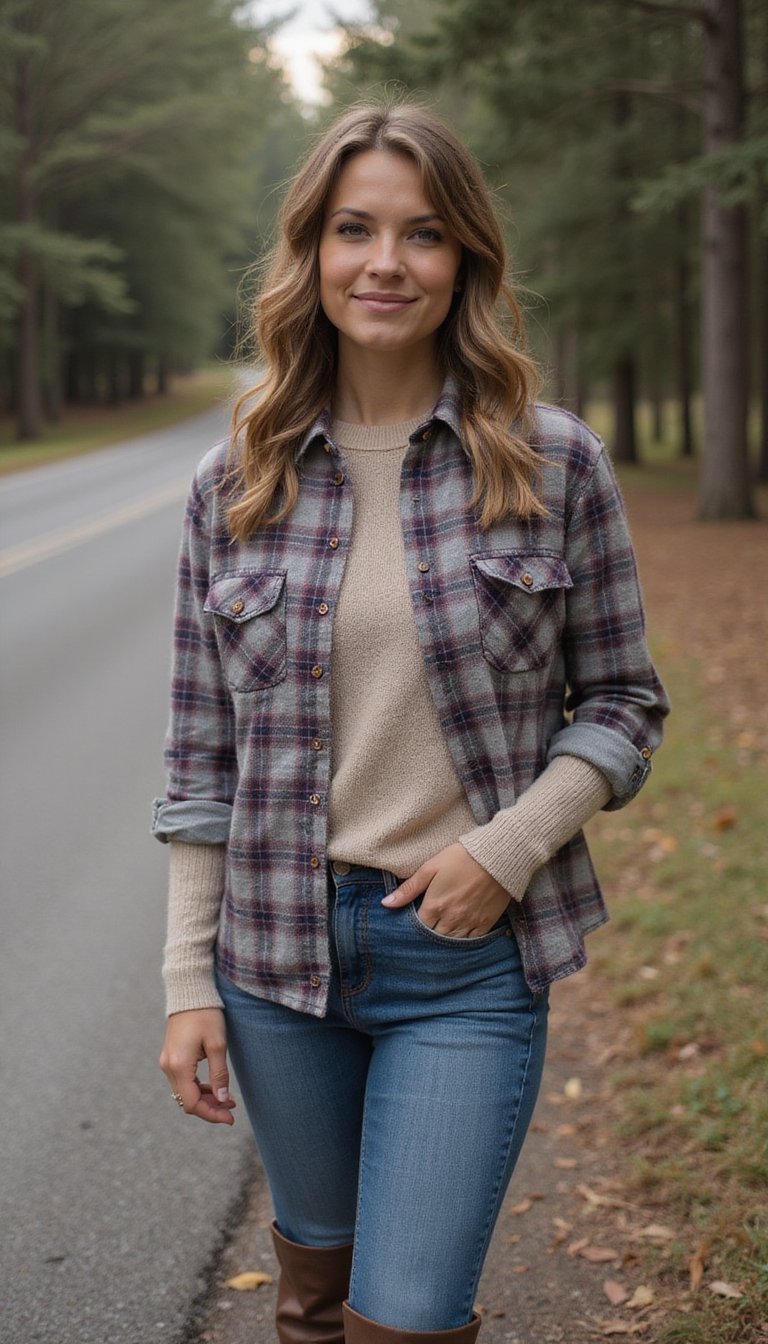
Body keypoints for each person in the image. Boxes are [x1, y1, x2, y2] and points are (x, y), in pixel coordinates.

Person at [154, 101, 669, 1344]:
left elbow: (624, 703)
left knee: (411, 1315)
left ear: (466, 262)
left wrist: (508, 848)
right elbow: (199, 755)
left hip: (465, 958)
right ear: (311, 254)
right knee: (317, 1299)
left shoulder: (551, 465)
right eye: (355, 229)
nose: (386, 262)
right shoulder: (236, 483)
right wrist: (187, 979)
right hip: (275, 959)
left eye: (424, 233)